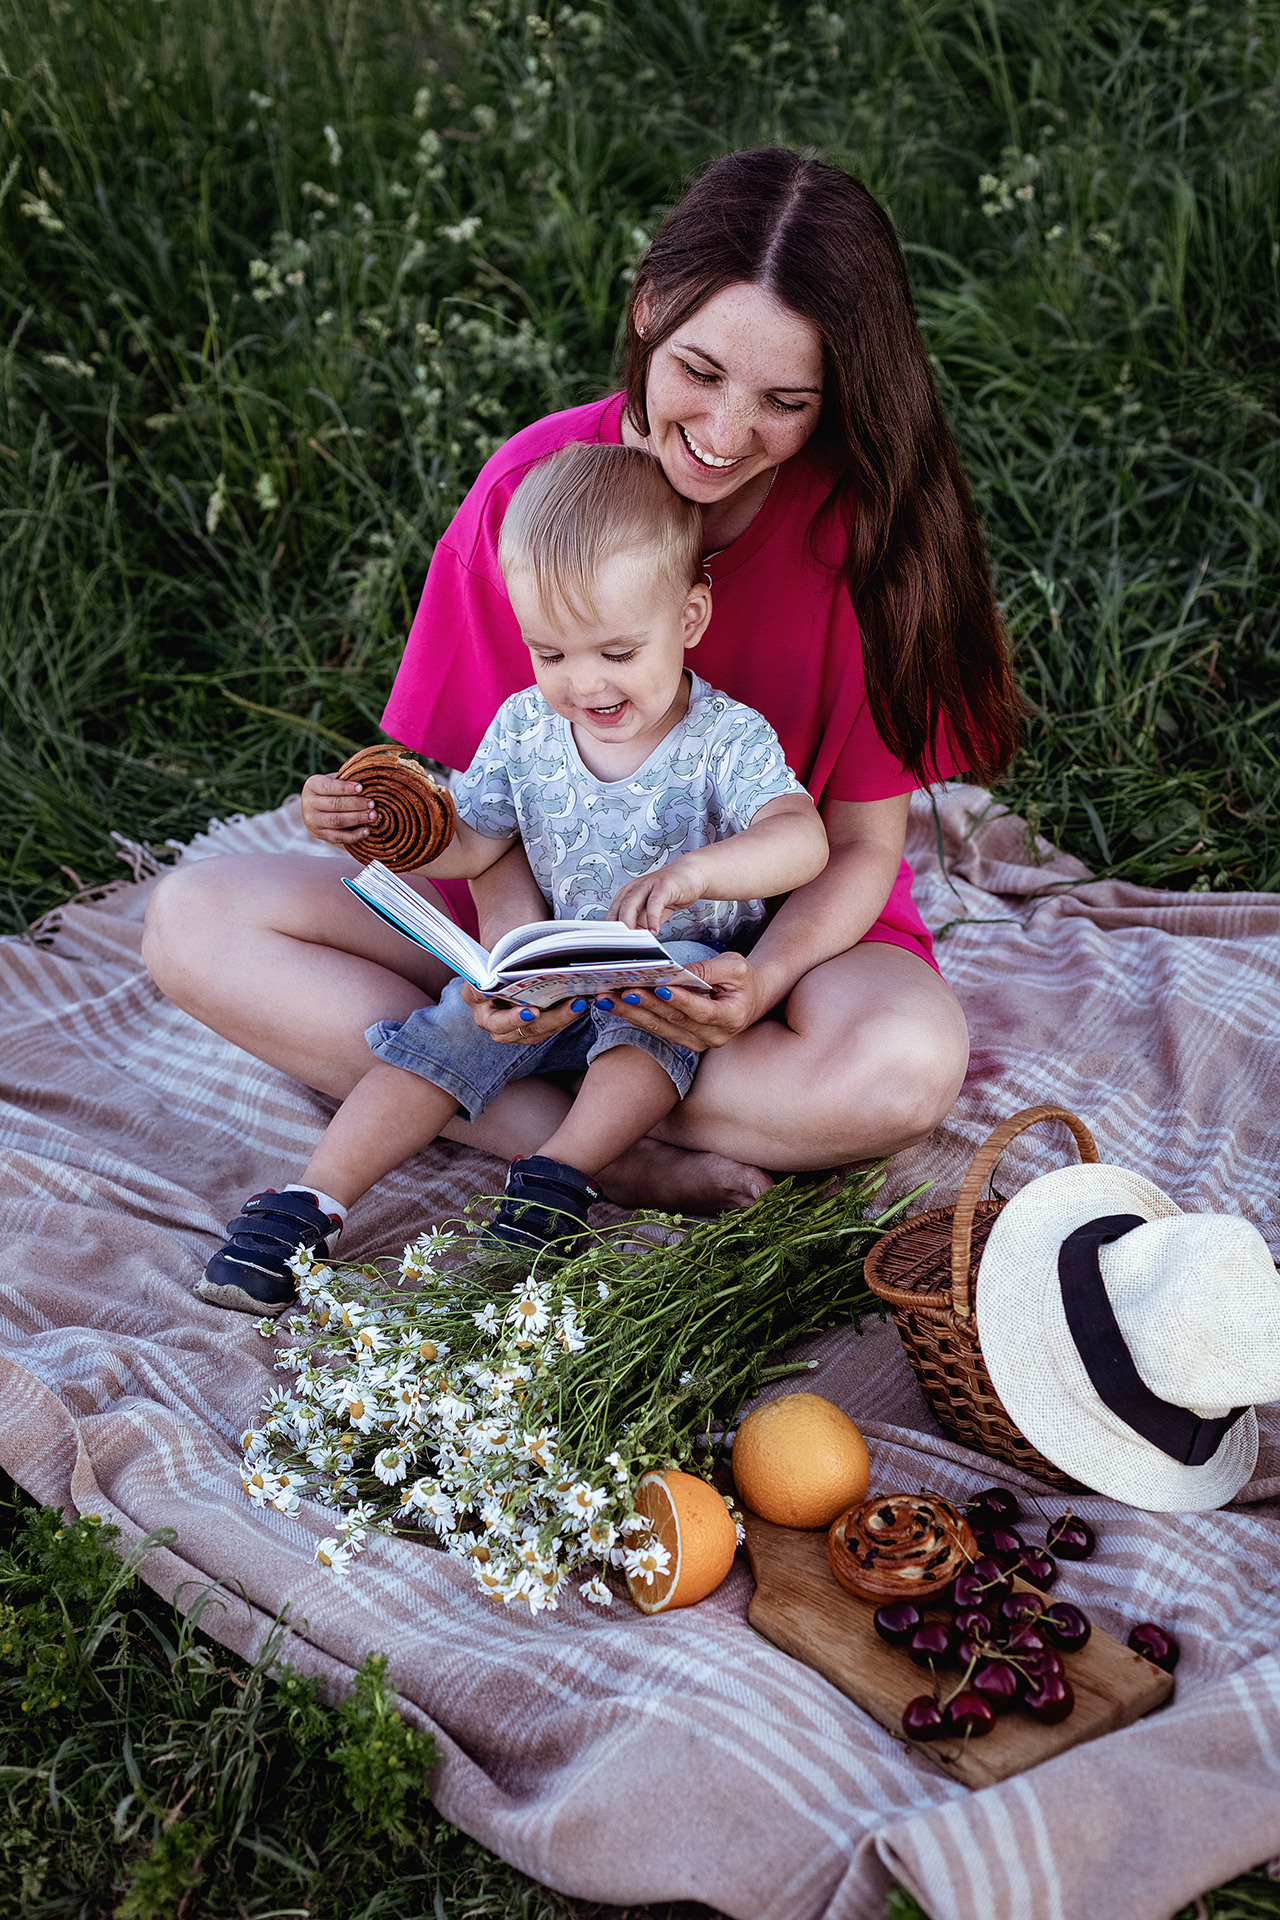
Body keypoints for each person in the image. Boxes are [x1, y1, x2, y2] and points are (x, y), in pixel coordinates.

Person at [143, 146, 1021, 1227]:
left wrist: (762, 981)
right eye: (699, 373)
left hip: (761, 938)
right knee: (193, 919)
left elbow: (857, 849)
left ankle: (503, 1087)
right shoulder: (529, 497)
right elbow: (489, 810)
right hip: (543, 918)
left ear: (838, 393)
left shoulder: (869, 539)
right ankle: (583, 1151)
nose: (723, 433)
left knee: (902, 1069)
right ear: (650, 309)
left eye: (784, 401)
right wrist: (513, 961)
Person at [197, 445, 828, 1309]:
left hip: (666, 979)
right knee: (442, 1031)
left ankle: (559, 1180)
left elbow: (802, 838)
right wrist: (389, 829)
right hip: (546, 967)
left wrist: (699, 871)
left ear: (688, 618)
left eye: (616, 651)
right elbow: (474, 842)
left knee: (652, 1014)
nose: (583, 683)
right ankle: (311, 1204)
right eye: (551, 654)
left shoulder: (726, 739)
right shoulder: (526, 727)